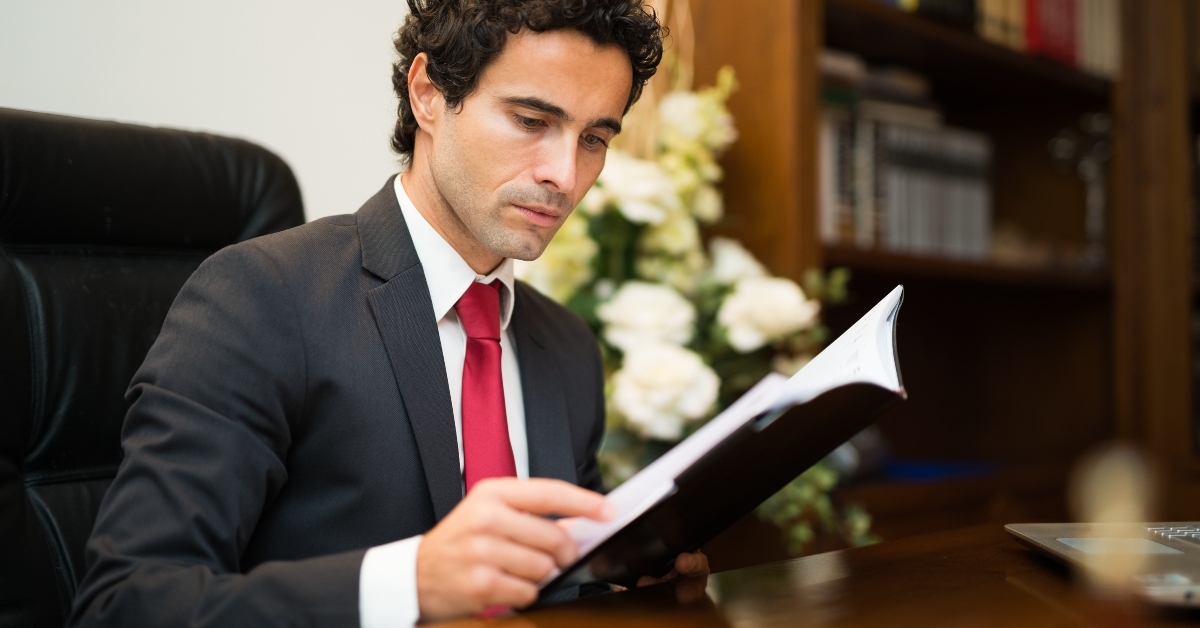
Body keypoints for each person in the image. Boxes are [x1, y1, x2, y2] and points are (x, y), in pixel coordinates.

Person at [69, 1, 710, 626]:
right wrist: (409, 584)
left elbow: (551, 588)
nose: (565, 175)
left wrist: (626, 587)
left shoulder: (567, 347)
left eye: (594, 138)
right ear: (428, 93)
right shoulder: (262, 296)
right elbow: (128, 602)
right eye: (530, 121)